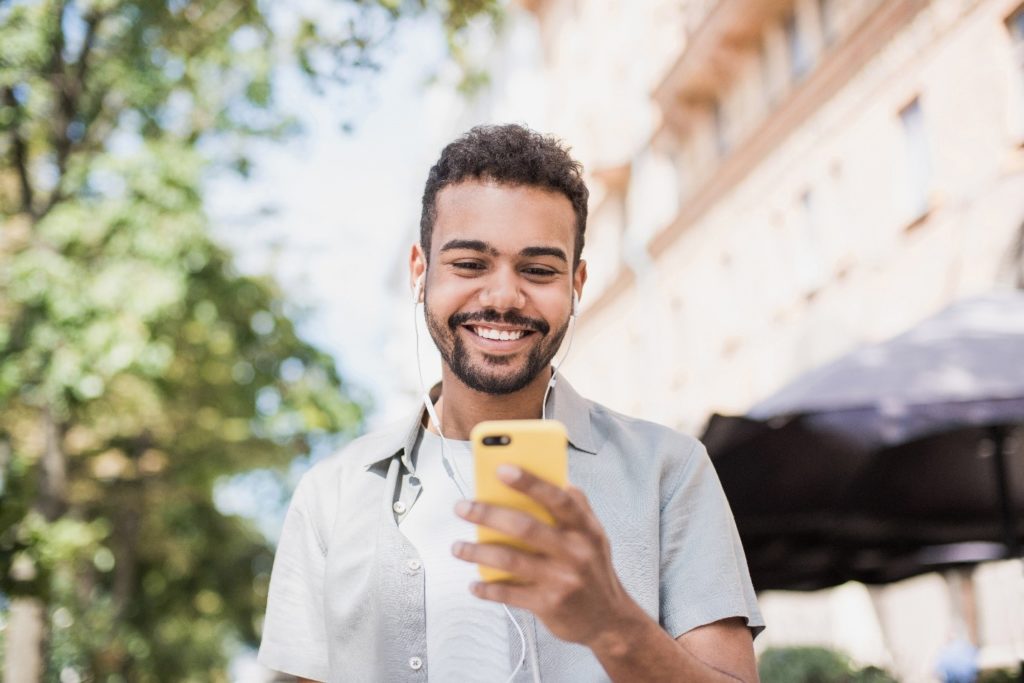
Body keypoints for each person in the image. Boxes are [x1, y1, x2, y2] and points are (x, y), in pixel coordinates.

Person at [257, 124, 764, 682]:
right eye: (470, 264)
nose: (502, 297)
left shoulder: (668, 471)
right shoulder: (332, 495)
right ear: (420, 273)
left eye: (538, 270)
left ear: (577, 284)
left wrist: (610, 621)